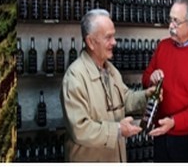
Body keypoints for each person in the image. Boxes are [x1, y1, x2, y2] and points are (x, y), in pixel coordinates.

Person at [61, 9, 155, 162]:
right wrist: (118, 130)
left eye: (114, 36)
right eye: (108, 37)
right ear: (91, 42)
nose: (114, 42)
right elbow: (80, 129)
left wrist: (146, 95)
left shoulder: (111, 70)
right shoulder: (75, 77)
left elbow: (125, 98)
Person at [142, 0, 188, 162]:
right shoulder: (163, 46)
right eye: (170, 19)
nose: (171, 26)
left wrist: (174, 122)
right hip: (160, 132)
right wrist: (151, 78)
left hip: (187, 140)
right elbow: (145, 79)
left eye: (177, 21)